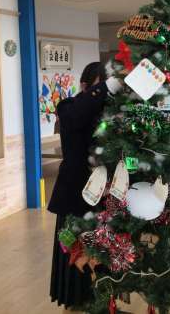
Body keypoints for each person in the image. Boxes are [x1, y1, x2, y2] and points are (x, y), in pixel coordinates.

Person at [48, 62, 121, 312]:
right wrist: (105, 88)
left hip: (104, 198)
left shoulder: (111, 115)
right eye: (100, 86)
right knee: (72, 254)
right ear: (84, 86)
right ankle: (74, 305)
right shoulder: (69, 106)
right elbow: (77, 115)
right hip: (74, 197)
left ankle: (105, 302)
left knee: (101, 255)